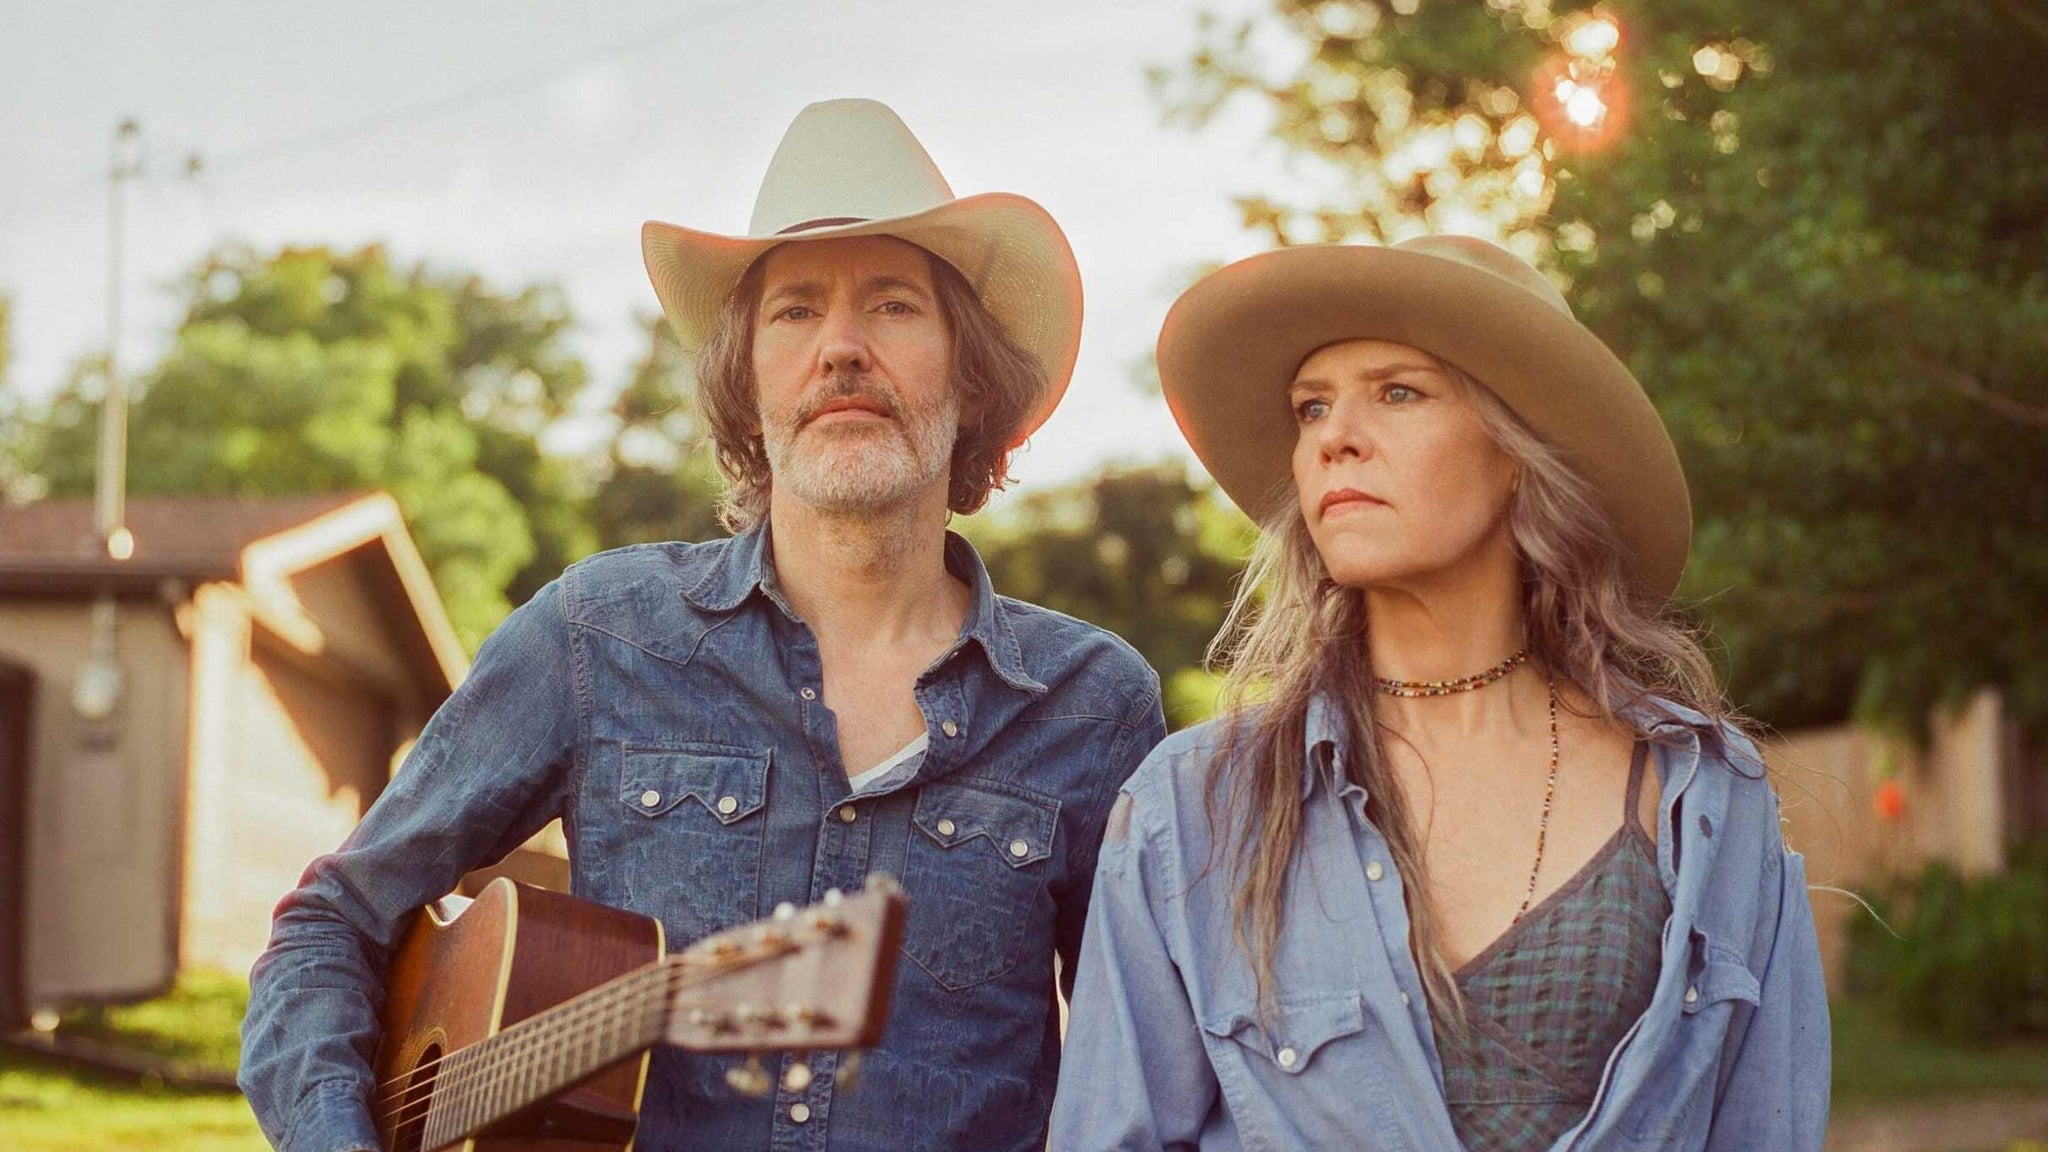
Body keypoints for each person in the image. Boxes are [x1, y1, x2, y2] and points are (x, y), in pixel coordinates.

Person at [239, 98, 1165, 1152]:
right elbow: (328, 926)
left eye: (895, 306)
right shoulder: (598, 636)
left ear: (968, 375)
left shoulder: (1092, 703)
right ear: (745, 379)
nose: (842, 349)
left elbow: (1142, 1075)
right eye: (795, 312)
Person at [1049, 236, 1829, 1150]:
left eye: (1398, 392)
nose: (1333, 436)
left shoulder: (1704, 797)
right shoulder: (1191, 813)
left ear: (1516, 454)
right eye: (1310, 408)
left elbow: (1767, 1127)